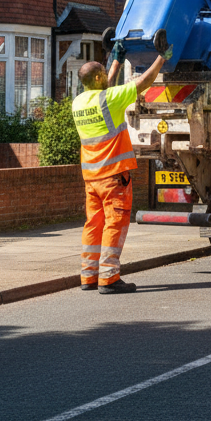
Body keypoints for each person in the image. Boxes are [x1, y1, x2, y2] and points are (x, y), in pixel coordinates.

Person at [71, 42, 167, 294]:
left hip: (91, 178)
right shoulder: (108, 99)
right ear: (98, 77)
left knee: (93, 224)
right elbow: (143, 82)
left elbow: (104, 90)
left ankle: (88, 276)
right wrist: (162, 58)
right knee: (115, 224)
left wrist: (115, 61)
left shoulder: (79, 102)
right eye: (104, 72)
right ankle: (110, 277)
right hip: (114, 178)